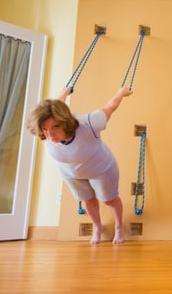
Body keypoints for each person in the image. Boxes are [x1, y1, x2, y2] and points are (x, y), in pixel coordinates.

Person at [27, 86, 132, 245]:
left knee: (109, 200)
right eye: (45, 129)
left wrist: (121, 93)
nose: (50, 135)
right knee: (87, 201)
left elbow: (110, 107)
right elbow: (56, 106)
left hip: (101, 168)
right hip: (71, 173)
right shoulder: (47, 128)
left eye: (55, 127)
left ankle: (119, 227)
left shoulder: (89, 123)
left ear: (65, 121)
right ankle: (97, 228)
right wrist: (64, 93)